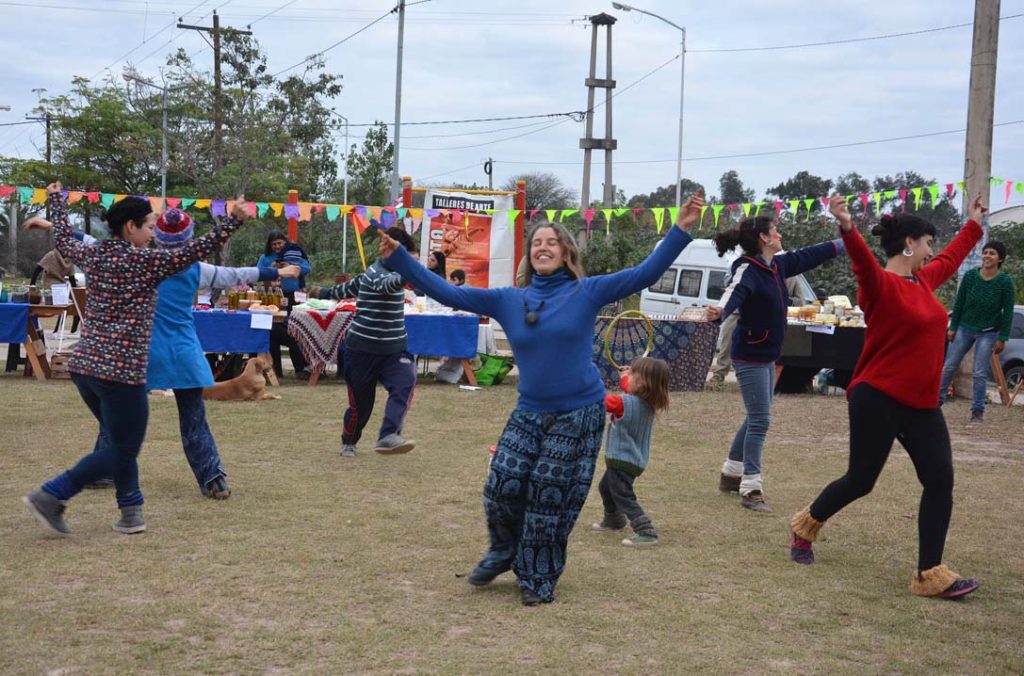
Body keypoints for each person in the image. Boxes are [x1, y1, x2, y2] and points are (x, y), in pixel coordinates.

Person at [378, 191, 704, 606]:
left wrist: (680, 230)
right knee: (502, 483)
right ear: (529, 256)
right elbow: (450, 294)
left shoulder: (587, 291)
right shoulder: (509, 299)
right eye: (536, 243)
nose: (543, 247)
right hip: (530, 410)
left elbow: (643, 273)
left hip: (579, 411)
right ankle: (503, 551)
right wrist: (401, 259)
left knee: (549, 495)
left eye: (552, 242)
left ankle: (537, 574)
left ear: (566, 252)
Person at [789, 194, 986, 601]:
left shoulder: (923, 282)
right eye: (927, 242)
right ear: (909, 244)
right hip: (877, 397)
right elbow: (862, 263)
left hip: (922, 405)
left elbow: (950, 260)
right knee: (861, 480)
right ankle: (805, 525)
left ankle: (929, 574)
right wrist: (848, 227)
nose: (931, 250)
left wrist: (973, 224)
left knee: (940, 479)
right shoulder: (879, 285)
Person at [25, 208, 301, 499]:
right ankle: (213, 479)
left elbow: (91, 242)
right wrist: (279, 271)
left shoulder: (136, 260)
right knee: (193, 418)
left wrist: (52, 225)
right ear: (189, 238)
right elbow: (238, 274)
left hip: (141, 352)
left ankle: (104, 471)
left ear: (157, 235)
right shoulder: (196, 268)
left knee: (115, 414)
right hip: (183, 353)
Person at [22, 182, 248, 536]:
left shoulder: (92, 254)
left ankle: (131, 512)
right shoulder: (145, 262)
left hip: (86, 368)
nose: (153, 234)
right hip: (120, 373)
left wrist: (56, 201)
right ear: (131, 227)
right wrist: (233, 221)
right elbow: (196, 250)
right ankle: (52, 494)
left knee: (120, 440)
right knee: (124, 447)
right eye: (149, 227)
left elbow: (63, 238)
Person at [706, 218, 845, 513]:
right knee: (760, 420)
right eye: (775, 231)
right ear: (764, 238)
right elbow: (733, 293)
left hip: (769, 354)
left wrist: (845, 242)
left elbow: (809, 255)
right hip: (750, 356)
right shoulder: (746, 268)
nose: (780, 234)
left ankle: (731, 474)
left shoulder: (777, 265)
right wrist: (719, 310)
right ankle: (751, 488)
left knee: (756, 415)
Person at [318, 226, 420, 457]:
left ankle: (389, 435)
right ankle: (349, 440)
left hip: (395, 350)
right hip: (361, 351)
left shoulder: (382, 272)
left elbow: (350, 286)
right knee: (361, 407)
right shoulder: (377, 273)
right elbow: (389, 284)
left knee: (405, 383)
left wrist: (323, 292)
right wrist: (411, 272)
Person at [592, 357, 671, 546]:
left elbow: (600, 402)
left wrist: (584, 388)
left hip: (623, 459)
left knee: (622, 495)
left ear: (641, 382)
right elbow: (629, 388)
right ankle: (614, 519)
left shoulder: (624, 403)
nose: (629, 377)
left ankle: (646, 530)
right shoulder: (647, 401)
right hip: (631, 460)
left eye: (633, 374)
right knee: (606, 487)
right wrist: (625, 377)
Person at [938, 240, 1015, 423]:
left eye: (992, 253)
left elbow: (1008, 312)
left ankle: (977, 412)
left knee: (979, 373)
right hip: (964, 327)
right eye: (985, 252)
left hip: (988, 332)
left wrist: (1003, 337)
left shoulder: (1005, 282)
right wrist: (953, 327)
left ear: (1000, 259)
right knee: (949, 366)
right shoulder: (970, 276)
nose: (987, 256)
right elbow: (959, 303)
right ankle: (935, 403)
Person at [709, 275, 806, 383]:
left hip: (765, 316)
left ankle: (751, 377)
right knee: (727, 342)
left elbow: (801, 301)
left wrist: (784, 299)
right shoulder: (752, 269)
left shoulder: (792, 277)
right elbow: (730, 284)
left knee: (758, 347)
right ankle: (719, 374)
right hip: (738, 311)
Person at [257, 234, 312, 378]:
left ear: (285, 242)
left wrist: (291, 267)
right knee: (273, 330)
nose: (277, 246)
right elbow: (258, 273)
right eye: (274, 244)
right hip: (273, 297)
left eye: (279, 243)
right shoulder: (265, 258)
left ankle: (301, 368)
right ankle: (276, 370)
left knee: (295, 330)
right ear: (269, 245)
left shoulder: (293, 254)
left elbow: (307, 268)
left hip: (295, 297)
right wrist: (272, 269)